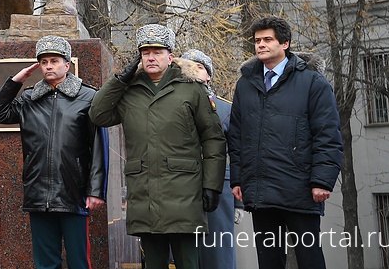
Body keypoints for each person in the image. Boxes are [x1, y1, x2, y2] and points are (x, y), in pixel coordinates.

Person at [89, 24, 226, 269]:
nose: (151, 57)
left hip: (184, 192)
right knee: (153, 263)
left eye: (157, 52)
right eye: (145, 53)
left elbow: (213, 138)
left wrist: (212, 185)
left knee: (188, 263)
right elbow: (98, 115)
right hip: (145, 193)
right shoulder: (129, 90)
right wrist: (119, 80)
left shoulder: (191, 89)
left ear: (170, 57)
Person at [227, 16, 343, 269]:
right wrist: (237, 179)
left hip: (300, 188)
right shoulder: (245, 84)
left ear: (285, 43)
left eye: (268, 39)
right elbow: (236, 136)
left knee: (310, 259)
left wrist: (322, 181)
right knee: (268, 261)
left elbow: (327, 134)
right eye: (257, 40)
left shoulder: (312, 82)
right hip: (260, 189)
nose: (261, 45)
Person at [0, 35, 107, 269]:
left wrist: (96, 191)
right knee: (45, 263)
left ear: (67, 65)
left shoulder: (88, 97)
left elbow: (98, 147)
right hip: (38, 192)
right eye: (43, 62)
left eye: (54, 61)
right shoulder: (30, 98)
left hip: (74, 193)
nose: (48, 66)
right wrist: (16, 81)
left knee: (79, 262)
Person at [179, 49, 239, 269]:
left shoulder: (226, 109)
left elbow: (238, 153)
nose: (194, 70)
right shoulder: (170, 104)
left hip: (219, 189)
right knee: (184, 253)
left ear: (209, 75)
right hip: (180, 186)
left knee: (218, 253)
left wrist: (239, 202)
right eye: (188, 66)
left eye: (200, 66)